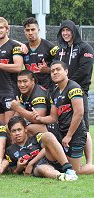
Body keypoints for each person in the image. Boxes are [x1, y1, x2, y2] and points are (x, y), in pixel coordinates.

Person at [33, 61, 94, 174]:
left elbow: (79, 113)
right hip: (62, 132)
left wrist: (69, 136)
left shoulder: (73, 88)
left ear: (66, 72)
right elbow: (54, 118)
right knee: (62, 163)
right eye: (52, 71)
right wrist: (40, 119)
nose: (55, 72)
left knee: (76, 171)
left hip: (76, 134)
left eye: (58, 69)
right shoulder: (54, 92)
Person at [55, 20, 94, 165]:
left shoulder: (86, 48)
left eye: (68, 30)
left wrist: (67, 82)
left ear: (74, 31)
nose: (65, 33)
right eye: (63, 31)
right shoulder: (61, 49)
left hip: (79, 91)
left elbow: (84, 71)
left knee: (83, 126)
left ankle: (89, 162)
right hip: (62, 93)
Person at [6, 116, 78, 181]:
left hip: (50, 158)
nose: (17, 133)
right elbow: (13, 172)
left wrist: (31, 163)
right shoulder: (10, 150)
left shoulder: (36, 137)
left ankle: (68, 169)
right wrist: (19, 167)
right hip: (37, 167)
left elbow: (45, 149)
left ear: (25, 129)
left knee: (47, 135)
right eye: (14, 131)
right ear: (10, 133)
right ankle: (62, 176)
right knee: (42, 169)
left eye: (19, 129)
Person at [0, 16, 23, 125]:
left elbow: (18, 67)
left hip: (10, 91)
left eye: (2, 27)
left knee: (10, 127)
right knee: (1, 129)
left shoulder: (14, 45)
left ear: (7, 29)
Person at [22, 17, 59, 91]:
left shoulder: (50, 47)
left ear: (38, 30)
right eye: (27, 30)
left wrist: (48, 70)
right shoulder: (23, 48)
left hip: (48, 90)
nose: (30, 33)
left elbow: (62, 68)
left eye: (33, 29)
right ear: (24, 32)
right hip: (30, 90)